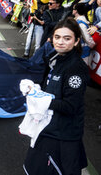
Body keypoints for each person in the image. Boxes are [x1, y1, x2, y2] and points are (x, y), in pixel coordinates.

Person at [24, 18, 89, 175]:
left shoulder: (75, 67)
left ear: (76, 41)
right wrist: (35, 90)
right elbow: (50, 89)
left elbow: (70, 106)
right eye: (57, 37)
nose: (60, 42)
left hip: (64, 134)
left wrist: (41, 99)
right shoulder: (55, 57)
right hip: (49, 127)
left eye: (67, 38)